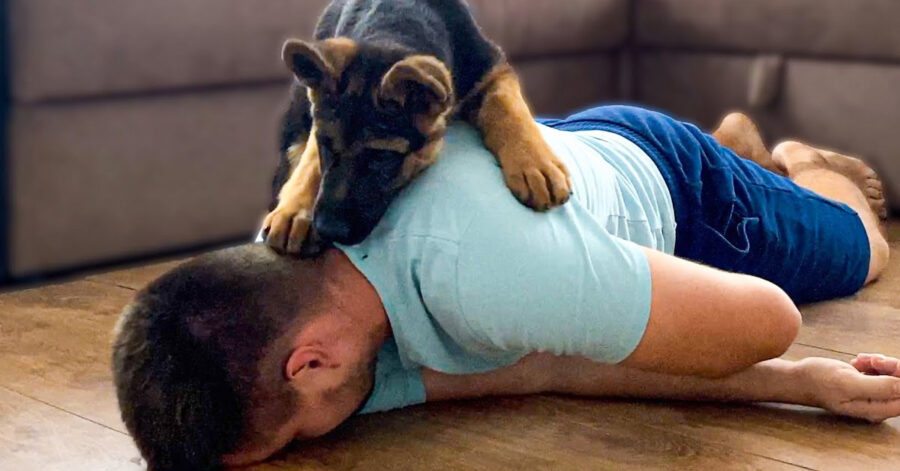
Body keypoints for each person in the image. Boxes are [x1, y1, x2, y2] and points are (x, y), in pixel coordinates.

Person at [112, 106, 897, 471]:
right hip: (546, 169)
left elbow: (769, 321)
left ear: (310, 363)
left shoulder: (483, 273)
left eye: (300, 438)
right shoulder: (279, 281)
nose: (324, 437)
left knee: (863, 243)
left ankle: (795, 161)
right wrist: (801, 387)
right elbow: (540, 363)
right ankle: (744, 151)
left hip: (681, 193)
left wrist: (787, 364)